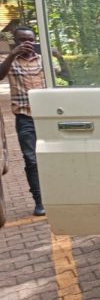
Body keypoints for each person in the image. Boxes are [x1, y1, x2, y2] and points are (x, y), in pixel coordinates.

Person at [0, 26, 70, 216]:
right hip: (25, 119)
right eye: (22, 40)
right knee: (32, 160)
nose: (26, 43)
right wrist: (11, 55)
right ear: (15, 41)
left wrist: (59, 56)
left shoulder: (43, 60)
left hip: (48, 116)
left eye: (30, 39)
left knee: (56, 157)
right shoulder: (9, 61)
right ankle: (39, 202)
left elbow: (66, 76)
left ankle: (62, 196)